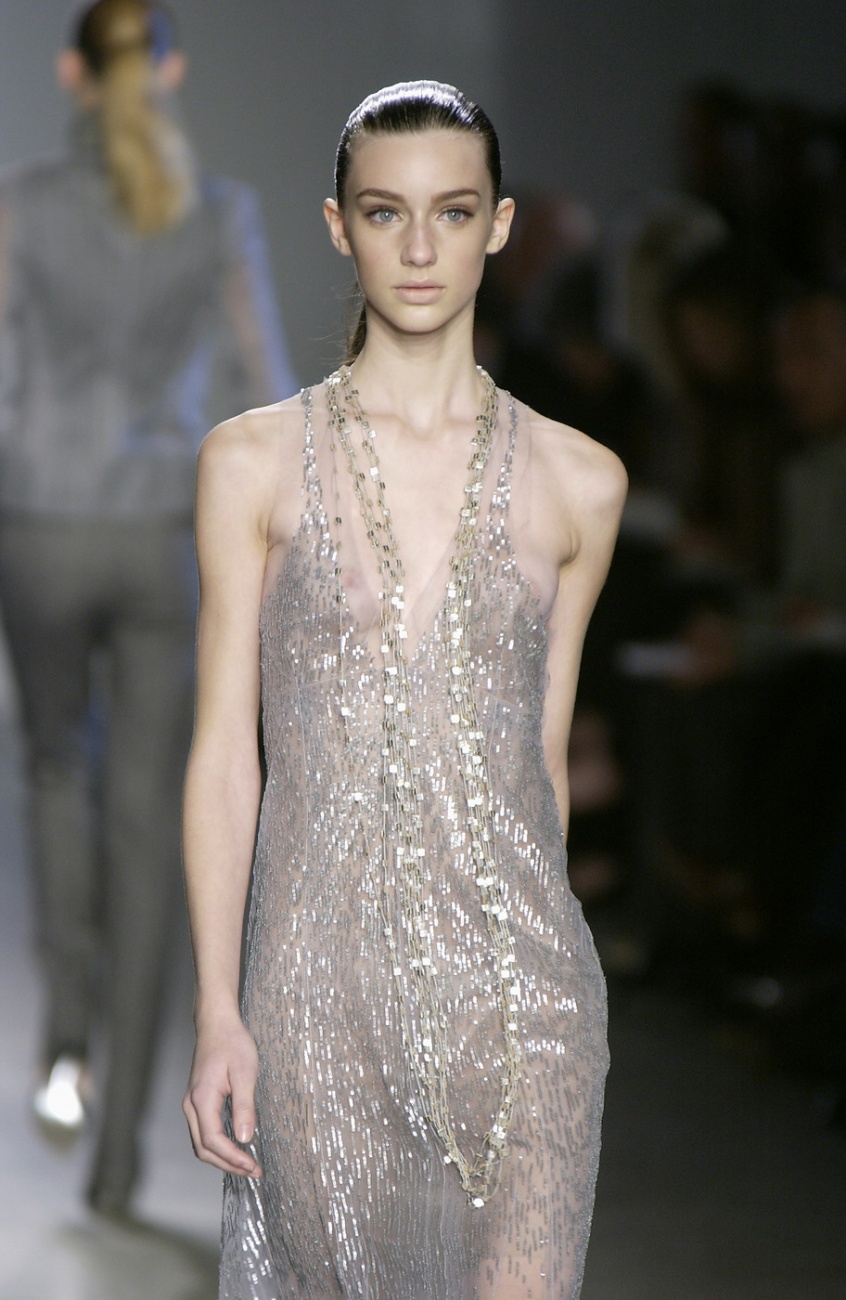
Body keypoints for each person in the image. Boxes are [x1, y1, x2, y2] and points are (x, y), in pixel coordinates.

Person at [182, 81, 626, 1299]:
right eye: (386, 212)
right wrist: (220, 1009)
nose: (420, 248)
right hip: (319, 1003)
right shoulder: (252, 462)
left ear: (500, 225)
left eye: (454, 211)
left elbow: (539, 767)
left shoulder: (581, 484)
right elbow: (225, 752)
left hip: (525, 1006)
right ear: (340, 227)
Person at [0, 0, 294, 1216]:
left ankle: (67, 1031)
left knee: (55, 771)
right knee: (149, 826)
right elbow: (265, 387)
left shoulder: (21, 206)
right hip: (167, 534)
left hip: (41, 523)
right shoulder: (219, 213)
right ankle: (119, 1143)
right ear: (170, 70)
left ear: (72, 72)